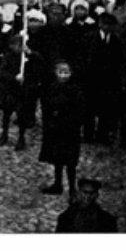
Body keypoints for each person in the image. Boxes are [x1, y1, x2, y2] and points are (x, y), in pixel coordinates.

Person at [39, 60, 84, 197]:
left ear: (71, 73)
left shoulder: (75, 90)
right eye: (60, 72)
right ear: (55, 73)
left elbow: (79, 110)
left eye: (66, 73)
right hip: (55, 129)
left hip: (70, 131)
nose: (63, 75)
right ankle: (57, 184)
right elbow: (46, 106)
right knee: (57, 159)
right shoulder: (52, 88)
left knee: (70, 162)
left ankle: (72, 189)